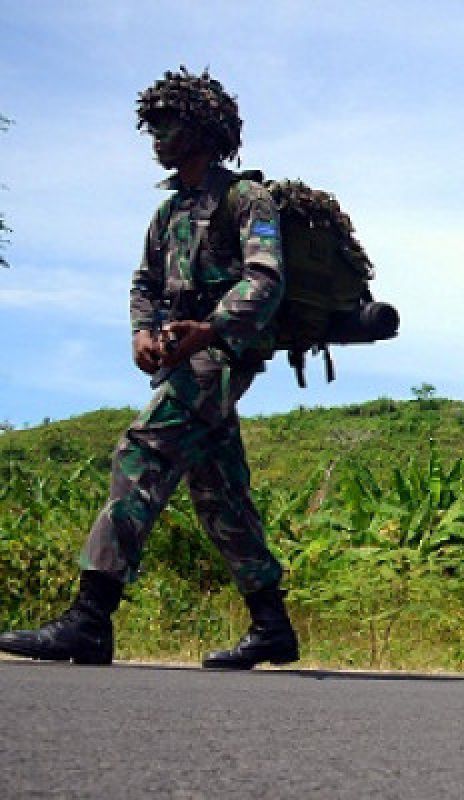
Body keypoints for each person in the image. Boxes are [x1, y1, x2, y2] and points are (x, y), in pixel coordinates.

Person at [0, 67, 297, 669]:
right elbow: (144, 282)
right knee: (221, 494)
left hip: (218, 357)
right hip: (180, 361)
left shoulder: (246, 199)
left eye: (169, 122)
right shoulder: (169, 214)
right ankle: (273, 626)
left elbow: (264, 279)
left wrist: (208, 330)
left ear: (205, 127)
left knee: (142, 452)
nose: (156, 134)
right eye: (152, 123)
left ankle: (90, 618)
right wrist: (141, 332)